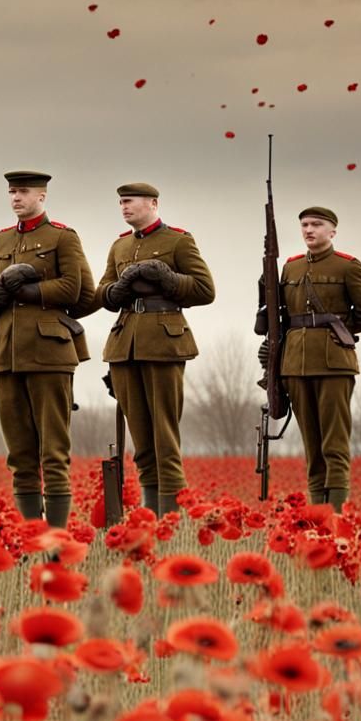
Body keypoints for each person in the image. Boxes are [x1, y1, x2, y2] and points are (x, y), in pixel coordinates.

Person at [0, 170, 93, 529]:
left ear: (42, 196)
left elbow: (74, 289)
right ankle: (29, 533)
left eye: (22, 192)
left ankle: (56, 536)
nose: (15, 198)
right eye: (11, 192)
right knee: (19, 454)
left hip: (49, 353)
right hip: (5, 356)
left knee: (53, 452)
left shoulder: (63, 237)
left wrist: (29, 291)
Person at [95, 183, 215, 518]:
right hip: (124, 346)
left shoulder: (178, 240)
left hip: (164, 343)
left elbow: (205, 290)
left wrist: (166, 276)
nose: (124, 207)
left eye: (129, 201)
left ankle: (170, 519)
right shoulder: (120, 245)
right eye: (120, 202)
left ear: (153, 203)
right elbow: (100, 293)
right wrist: (115, 290)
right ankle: (151, 518)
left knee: (165, 437)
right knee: (142, 442)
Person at [278, 206, 361, 511]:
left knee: (333, 444)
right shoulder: (291, 268)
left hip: (335, 364)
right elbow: (282, 318)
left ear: (332, 231)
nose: (309, 230)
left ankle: (335, 516)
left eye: (317, 225)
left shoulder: (347, 266)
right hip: (295, 364)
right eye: (305, 225)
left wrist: (339, 331)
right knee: (312, 444)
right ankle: (317, 513)